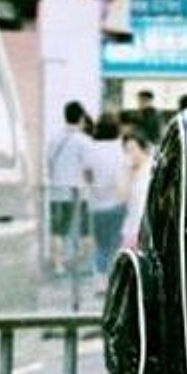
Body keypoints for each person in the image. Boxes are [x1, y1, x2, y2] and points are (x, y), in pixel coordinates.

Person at [46, 100, 95, 276]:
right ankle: (79, 263)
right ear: (81, 118)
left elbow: (49, 164)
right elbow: (88, 169)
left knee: (57, 229)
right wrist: (92, 184)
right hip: (78, 192)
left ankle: (58, 265)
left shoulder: (54, 139)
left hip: (56, 190)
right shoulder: (84, 141)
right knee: (85, 230)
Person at [86, 112, 127, 280]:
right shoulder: (121, 148)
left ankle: (100, 279)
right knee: (116, 243)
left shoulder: (91, 148)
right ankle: (114, 278)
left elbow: (87, 173)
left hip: (96, 204)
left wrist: (95, 188)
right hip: (118, 203)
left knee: (100, 244)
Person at [117, 132, 152, 250]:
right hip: (132, 228)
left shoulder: (152, 168)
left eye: (132, 149)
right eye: (126, 150)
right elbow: (122, 197)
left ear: (143, 148)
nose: (129, 154)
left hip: (148, 229)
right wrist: (127, 172)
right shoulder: (128, 171)